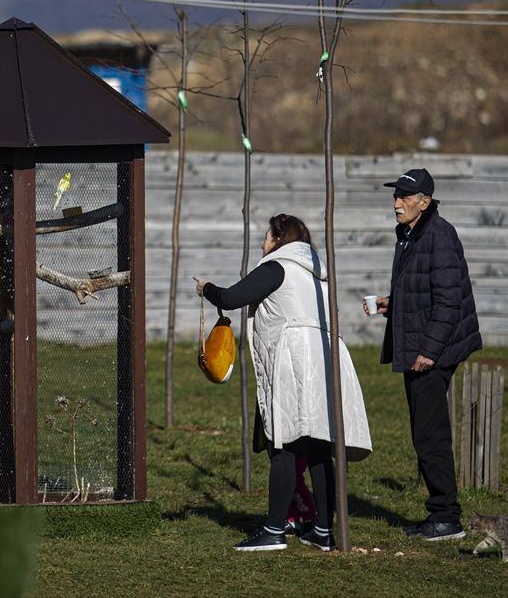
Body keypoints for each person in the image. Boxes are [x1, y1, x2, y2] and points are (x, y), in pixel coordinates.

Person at [194, 214, 372, 553]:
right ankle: (323, 530)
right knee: (320, 447)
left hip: (294, 359)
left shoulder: (278, 266)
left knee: (284, 445)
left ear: (278, 238)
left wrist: (207, 289)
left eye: (265, 237)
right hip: (324, 356)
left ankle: (274, 530)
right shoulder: (317, 274)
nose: (262, 244)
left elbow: (231, 298)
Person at [366, 168, 481, 542]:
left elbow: (448, 302)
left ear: (425, 202)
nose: (397, 204)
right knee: (423, 432)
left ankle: (447, 517)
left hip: (432, 351)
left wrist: (429, 352)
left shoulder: (439, 236)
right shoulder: (412, 234)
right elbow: (424, 289)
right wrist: (392, 303)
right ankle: (441, 513)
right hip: (420, 345)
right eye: (395, 196)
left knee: (430, 434)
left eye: (404, 197)